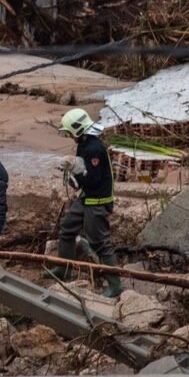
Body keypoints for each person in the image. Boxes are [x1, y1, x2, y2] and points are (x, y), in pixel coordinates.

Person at [46, 108, 123, 298]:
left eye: (70, 132)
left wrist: (77, 170)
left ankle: (115, 285)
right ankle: (64, 269)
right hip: (87, 197)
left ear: (77, 129)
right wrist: (74, 174)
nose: (70, 136)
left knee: (100, 242)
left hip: (97, 200)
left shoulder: (94, 148)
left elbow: (94, 179)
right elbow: (83, 176)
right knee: (67, 229)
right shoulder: (84, 144)